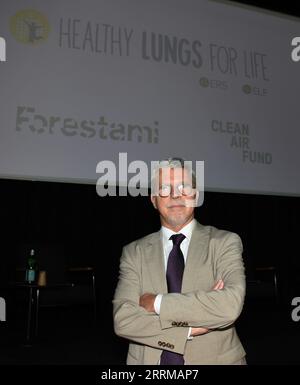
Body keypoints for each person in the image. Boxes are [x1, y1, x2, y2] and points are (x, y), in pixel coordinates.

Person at [113, 158, 246, 365]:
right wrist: (188, 329)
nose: (175, 195)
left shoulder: (224, 242)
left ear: (196, 196)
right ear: (154, 199)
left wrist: (155, 302)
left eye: (184, 187)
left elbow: (229, 306)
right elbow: (124, 320)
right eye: (165, 188)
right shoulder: (133, 252)